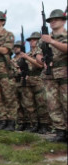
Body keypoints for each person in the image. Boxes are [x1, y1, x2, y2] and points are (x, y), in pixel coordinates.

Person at [40, 8, 68, 142]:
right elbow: (38, 55)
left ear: (63, 21)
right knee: (53, 104)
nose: (53, 22)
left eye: (56, 19)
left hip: (64, 73)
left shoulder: (64, 36)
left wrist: (51, 41)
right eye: (51, 20)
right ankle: (60, 131)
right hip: (50, 75)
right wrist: (43, 61)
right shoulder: (44, 39)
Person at [19, 32, 50, 133]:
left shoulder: (41, 53)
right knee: (29, 104)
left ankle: (44, 124)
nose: (32, 42)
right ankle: (35, 123)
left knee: (41, 103)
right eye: (30, 40)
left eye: (34, 40)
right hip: (28, 80)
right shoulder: (27, 53)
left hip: (38, 79)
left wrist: (27, 58)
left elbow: (40, 65)